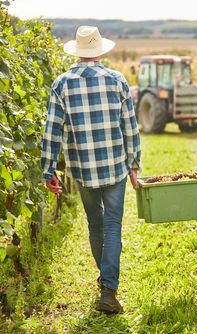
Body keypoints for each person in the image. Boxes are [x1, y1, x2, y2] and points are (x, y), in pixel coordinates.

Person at [41, 26, 141, 314]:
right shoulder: (117, 81)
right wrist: (134, 164)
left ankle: (106, 281)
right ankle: (108, 291)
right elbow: (130, 128)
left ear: (77, 52)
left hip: (82, 169)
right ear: (98, 51)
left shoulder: (61, 84)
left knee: (95, 224)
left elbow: (52, 131)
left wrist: (49, 170)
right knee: (112, 226)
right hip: (114, 166)